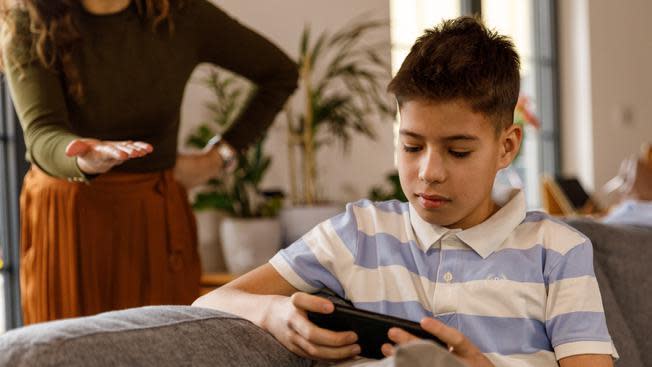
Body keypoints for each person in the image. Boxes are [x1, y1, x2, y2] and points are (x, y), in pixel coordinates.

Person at [193, 17, 617, 367]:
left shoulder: (557, 252)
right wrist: (272, 312)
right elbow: (210, 301)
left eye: (458, 151)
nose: (428, 172)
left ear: (506, 147)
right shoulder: (358, 233)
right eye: (411, 146)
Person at [0, 0, 297, 324]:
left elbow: (280, 73)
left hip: (153, 217)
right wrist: (81, 156)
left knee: (166, 347)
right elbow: (42, 132)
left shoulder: (181, 14)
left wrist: (218, 157)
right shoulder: (29, 18)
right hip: (68, 220)